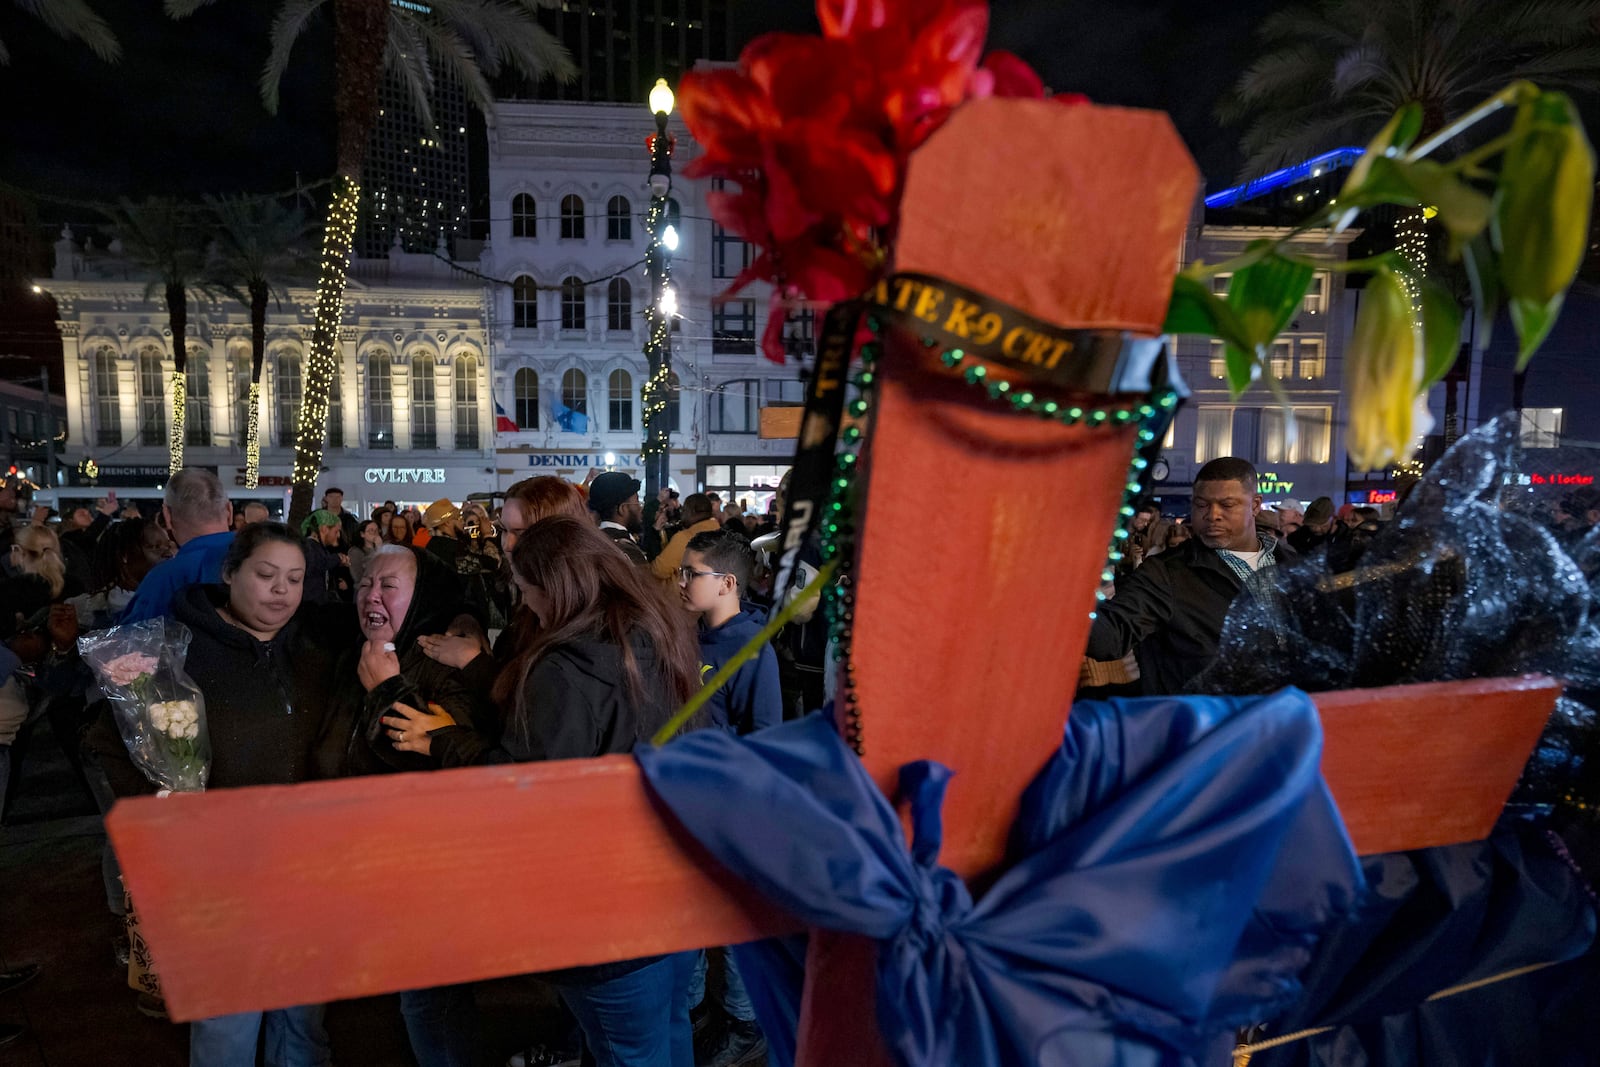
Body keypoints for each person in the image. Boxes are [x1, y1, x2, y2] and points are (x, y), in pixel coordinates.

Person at [383, 516, 699, 1067]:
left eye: (526, 591)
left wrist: (442, 741)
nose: (524, 605)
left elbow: (523, 790)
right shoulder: (652, 631)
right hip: (670, 887)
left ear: (555, 588)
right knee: (668, 1037)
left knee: (629, 1050)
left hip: (608, 918)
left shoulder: (567, 666)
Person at [87, 523, 354, 1066]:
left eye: (295, 579)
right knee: (227, 1021)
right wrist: (158, 800)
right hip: (220, 871)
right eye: (266, 575)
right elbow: (105, 736)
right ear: (230, 573)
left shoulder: (314, 645)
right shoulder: (177, 651)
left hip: (304, 861)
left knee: (302, 1016)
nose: (281, 591)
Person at [1085, 458, 1288, 694]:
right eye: (1201, 505)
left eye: (1227, 505)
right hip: (1202, 722)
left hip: (1285, 720)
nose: (1213, 515)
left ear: (1255, 505)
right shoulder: (1166, 573)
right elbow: (1111, 634)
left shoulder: (1290, 564)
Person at [121, 469, 234, 623]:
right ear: (229, 510)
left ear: (167, 515)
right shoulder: (269, 559)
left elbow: (131, 641)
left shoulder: (164, 580)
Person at [650, 495, 720, 587]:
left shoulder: (684, 538)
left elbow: (658, 571)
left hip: (681, 597)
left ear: (692, 511)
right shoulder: (721, 534)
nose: (682, 515)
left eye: (684, 510)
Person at [589, 472, 649, 565]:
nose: (640, 508)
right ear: (622, 509)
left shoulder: (594, 542)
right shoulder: (626, 551)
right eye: (637, 502)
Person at [300, 510, 351, 604]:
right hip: (310, 604)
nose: (338, 535)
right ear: (324, 529)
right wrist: (337, 558)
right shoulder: (309, 547)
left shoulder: (320, 548)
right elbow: (316, 565)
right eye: (336, 531)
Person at [347, 519, 384, 585]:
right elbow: (358, 577)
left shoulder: (382, 548)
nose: (375, 533)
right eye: (371, 530)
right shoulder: (355, 552)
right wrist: (379, 550)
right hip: (364, 589)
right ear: (362, 534)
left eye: (377, 530)